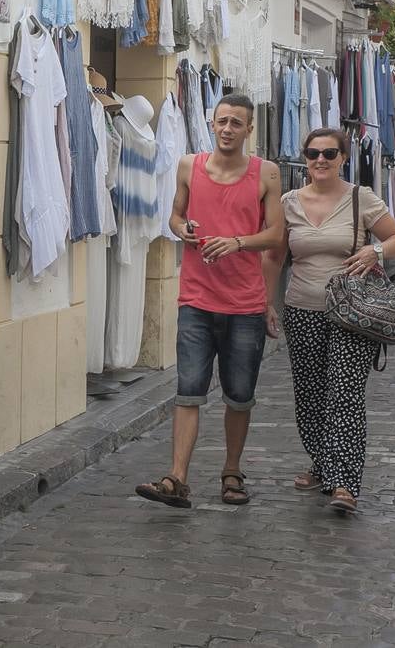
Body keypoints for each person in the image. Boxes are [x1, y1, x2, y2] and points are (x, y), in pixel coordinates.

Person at [136, 94, 284, 509]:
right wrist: (183, 228)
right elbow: (175, 214)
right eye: (222, 121)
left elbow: (276, 235)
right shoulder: (189, 165)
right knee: (188, 390)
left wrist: (237, 243)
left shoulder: (266, 174)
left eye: (237, 123)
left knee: (239, 394)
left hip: (244, 304)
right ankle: (176, 478)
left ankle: (232, 472)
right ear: (211, 122)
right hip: (196, 299)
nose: (228, 129)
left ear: (249, 129)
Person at [263, 128, 395, 515]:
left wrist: (374, 251)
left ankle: (343, 482)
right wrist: (267, 303)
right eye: (313, 153)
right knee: (310, 395)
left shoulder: (361, 199)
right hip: (302, 309)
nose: (320, 160)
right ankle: (323, 462)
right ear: (305, 158)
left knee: (344, 395)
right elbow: (276, 258)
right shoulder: (289, 202)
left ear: (344, 157)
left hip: (352, 315)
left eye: (329, 153)